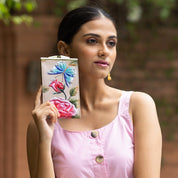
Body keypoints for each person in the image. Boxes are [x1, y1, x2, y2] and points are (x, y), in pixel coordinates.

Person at [27, 6, 162, 178]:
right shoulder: (43, 123)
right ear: (64, 49)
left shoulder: (137, 106)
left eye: (111, 43)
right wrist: (45, 140)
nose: (104, 51)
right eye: (92, 41)